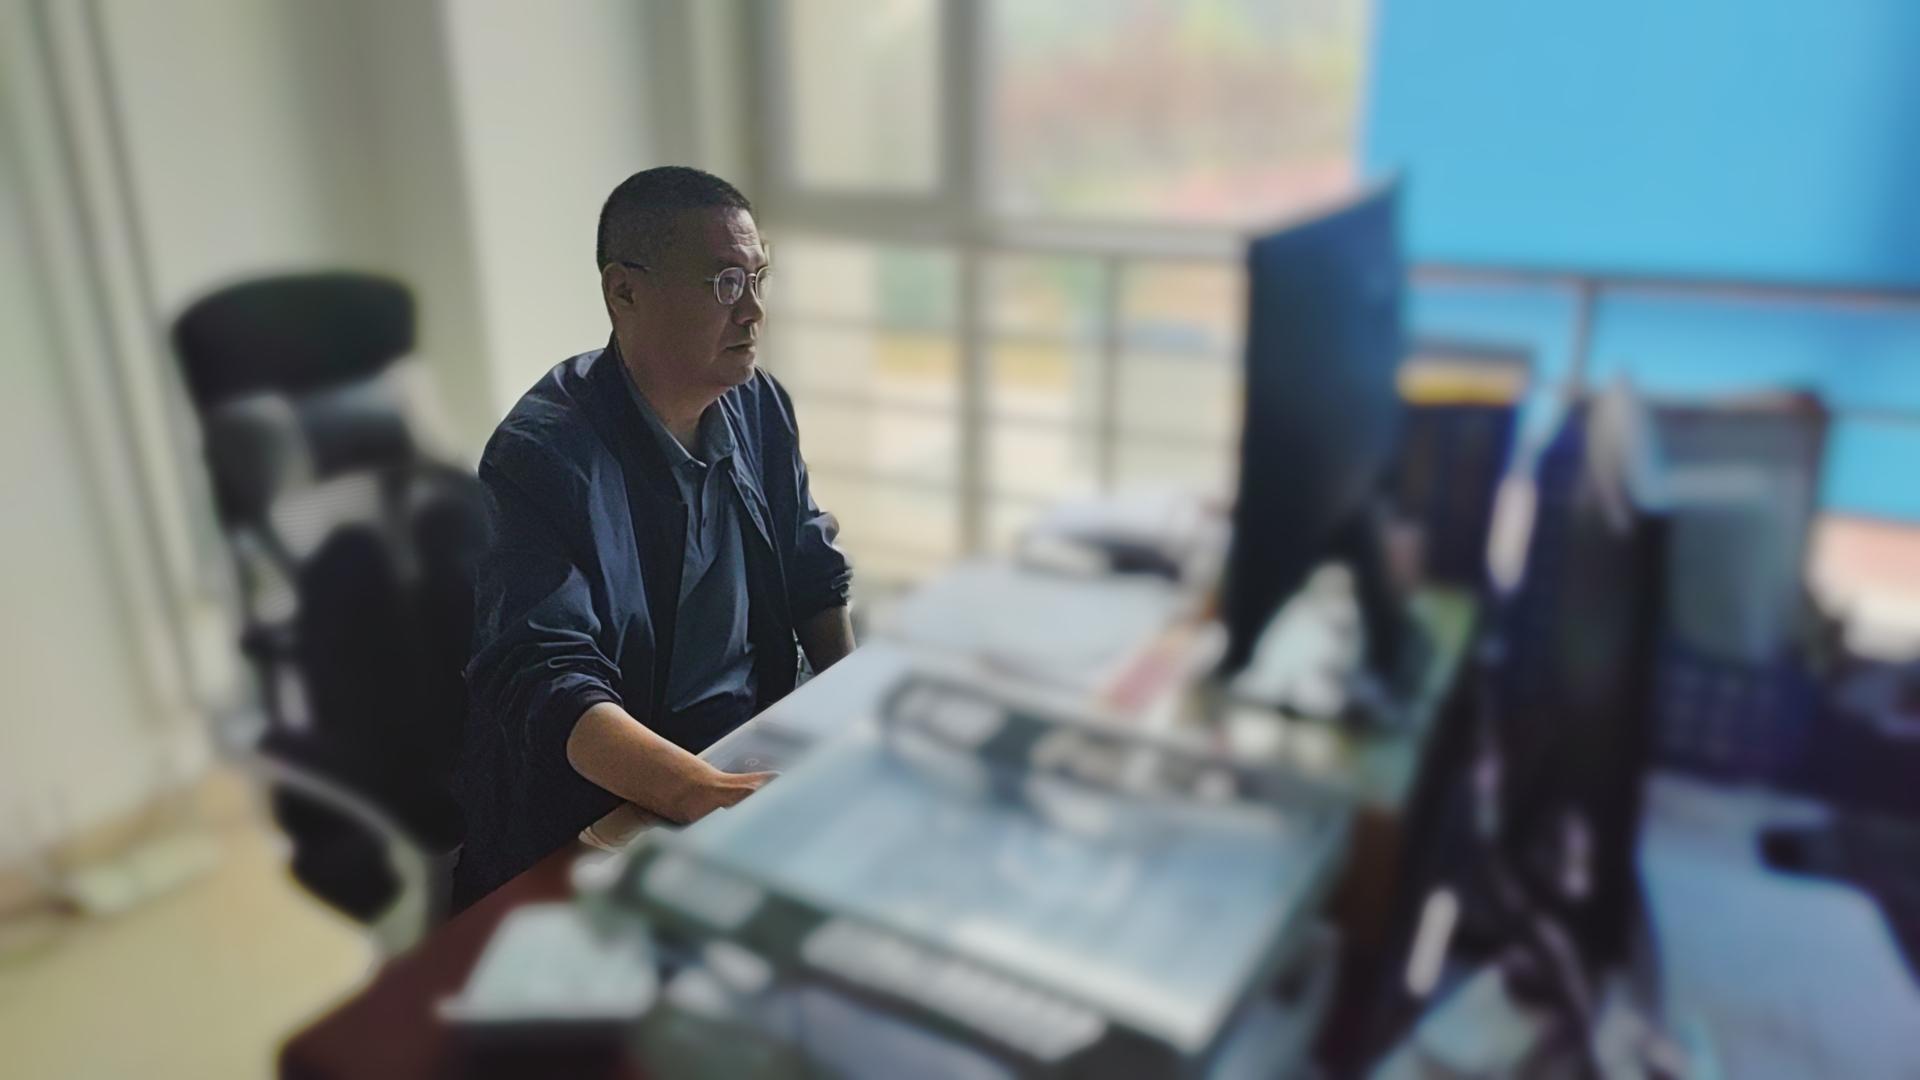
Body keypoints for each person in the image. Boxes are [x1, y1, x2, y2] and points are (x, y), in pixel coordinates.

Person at [453, 166, 854, 906]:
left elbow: (810, 570)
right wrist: (703, 794)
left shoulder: (757, 402)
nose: (755, 311)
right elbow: (549, 679)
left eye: (759, 277)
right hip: (616, 798)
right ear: (624, 292)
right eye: (725, 284)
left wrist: (850, 713)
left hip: (744, 746)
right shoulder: (543, 455)